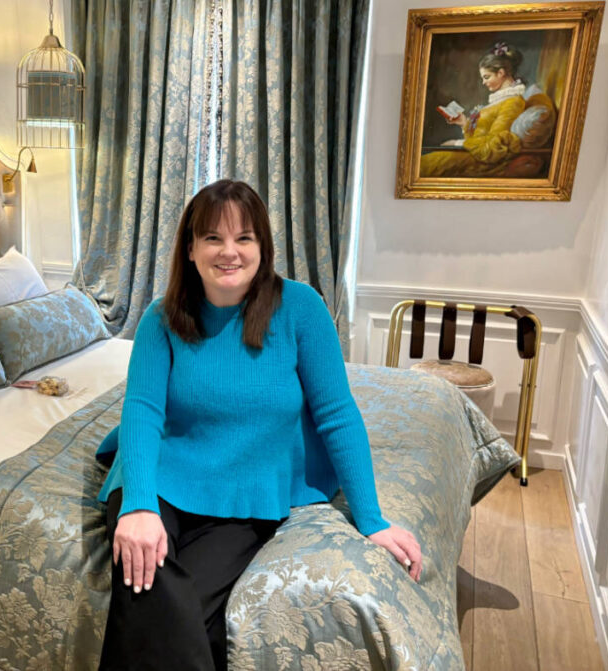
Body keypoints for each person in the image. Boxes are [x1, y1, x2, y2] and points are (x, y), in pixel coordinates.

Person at [95, 179, 422, 671]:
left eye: (244, 238)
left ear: (262, 247)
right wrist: (138, 504)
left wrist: (371, 518)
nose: (229, 252)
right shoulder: (160, 320)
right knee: (146, 573)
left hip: (250, 491)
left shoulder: (301, 308)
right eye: (212, 238)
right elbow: (141, 412)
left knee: (181, 608)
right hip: (157, 477)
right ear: (190, 249)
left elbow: (337, 415)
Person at [420, 42, 528, 178]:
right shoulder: (500, 99)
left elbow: (493, 146)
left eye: (486, 77)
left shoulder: (513, 102)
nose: (483, 82)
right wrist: (463, 122)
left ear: (501, 73)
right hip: (475, 154)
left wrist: (458, 143)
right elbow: (481, 135)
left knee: (427, 165)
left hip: (484, 162)